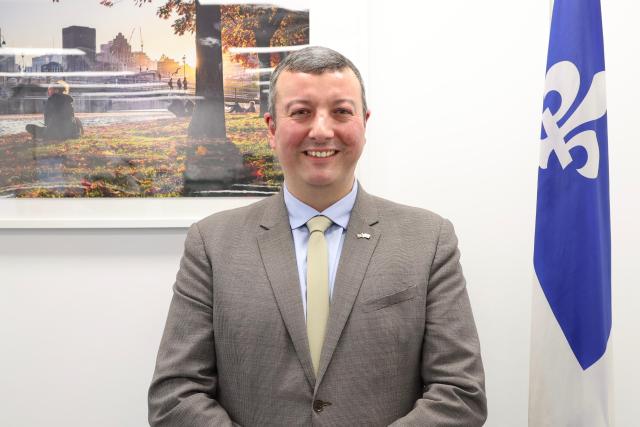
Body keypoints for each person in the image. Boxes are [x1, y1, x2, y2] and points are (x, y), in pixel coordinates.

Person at [148, 46, 487, 426]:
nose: (322, 130)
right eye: (301, 112)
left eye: (341, 111)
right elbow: (175, 395)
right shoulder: (212, 243)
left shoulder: (429, 239)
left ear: (364, 123)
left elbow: (460, 393)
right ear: (272, 129)